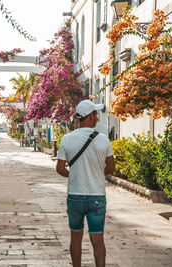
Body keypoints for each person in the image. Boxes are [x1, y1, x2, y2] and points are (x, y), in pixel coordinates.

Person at [56, 100, 115, 267]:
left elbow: (60, 168)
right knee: (97, 239)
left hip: (75, 196)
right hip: (97, 196)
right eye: (96, 114)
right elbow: (111, 167)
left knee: (76, 237)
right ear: (90, 116)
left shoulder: (67, 139)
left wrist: (75, 175)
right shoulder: (103, 139)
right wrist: (96, 173)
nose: (97, 117)